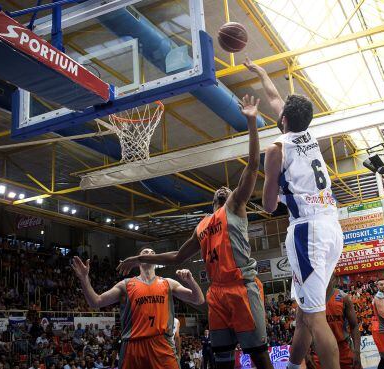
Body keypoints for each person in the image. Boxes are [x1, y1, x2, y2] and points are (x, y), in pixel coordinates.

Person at [117, 95, 273, 369]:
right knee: (221, 357)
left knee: (258, 354)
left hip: (241, 287)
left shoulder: (234, 206)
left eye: (227, 189)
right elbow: (177, 256)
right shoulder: (202, 225)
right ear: (212, 201)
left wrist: (251, 122)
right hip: (216, 292)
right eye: (219, 191)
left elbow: (252, 165)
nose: (224, 189)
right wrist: (139, 259)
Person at [244, 58, 343, 369]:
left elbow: (270, 206)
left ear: (283, 119)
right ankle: (291, 366)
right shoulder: (309, 136)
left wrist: (269, 178)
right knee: (303, 315)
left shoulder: (276, 149)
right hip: (331, 227)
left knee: (315, 318)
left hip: (307, 232)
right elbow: (276, 99)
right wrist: (261, 72)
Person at [71, 249, 204, 369]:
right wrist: (84, 278)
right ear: (139, 258)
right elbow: (96, 302)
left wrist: (191, 281)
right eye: (145, 252)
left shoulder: (168, 283)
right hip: (133, 347)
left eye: (153, 253)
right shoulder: (126, 284)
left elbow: (199, 300)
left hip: (162, 345)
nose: (150, 254)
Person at [307, 272, 362, 369]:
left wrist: (357, 352)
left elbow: (354, 326)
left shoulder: (343, 298)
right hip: (319, 350)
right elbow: (303, 330)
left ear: (334, 279)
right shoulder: (309, 300)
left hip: (343, 349)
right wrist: (306, 355)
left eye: (329, 275)